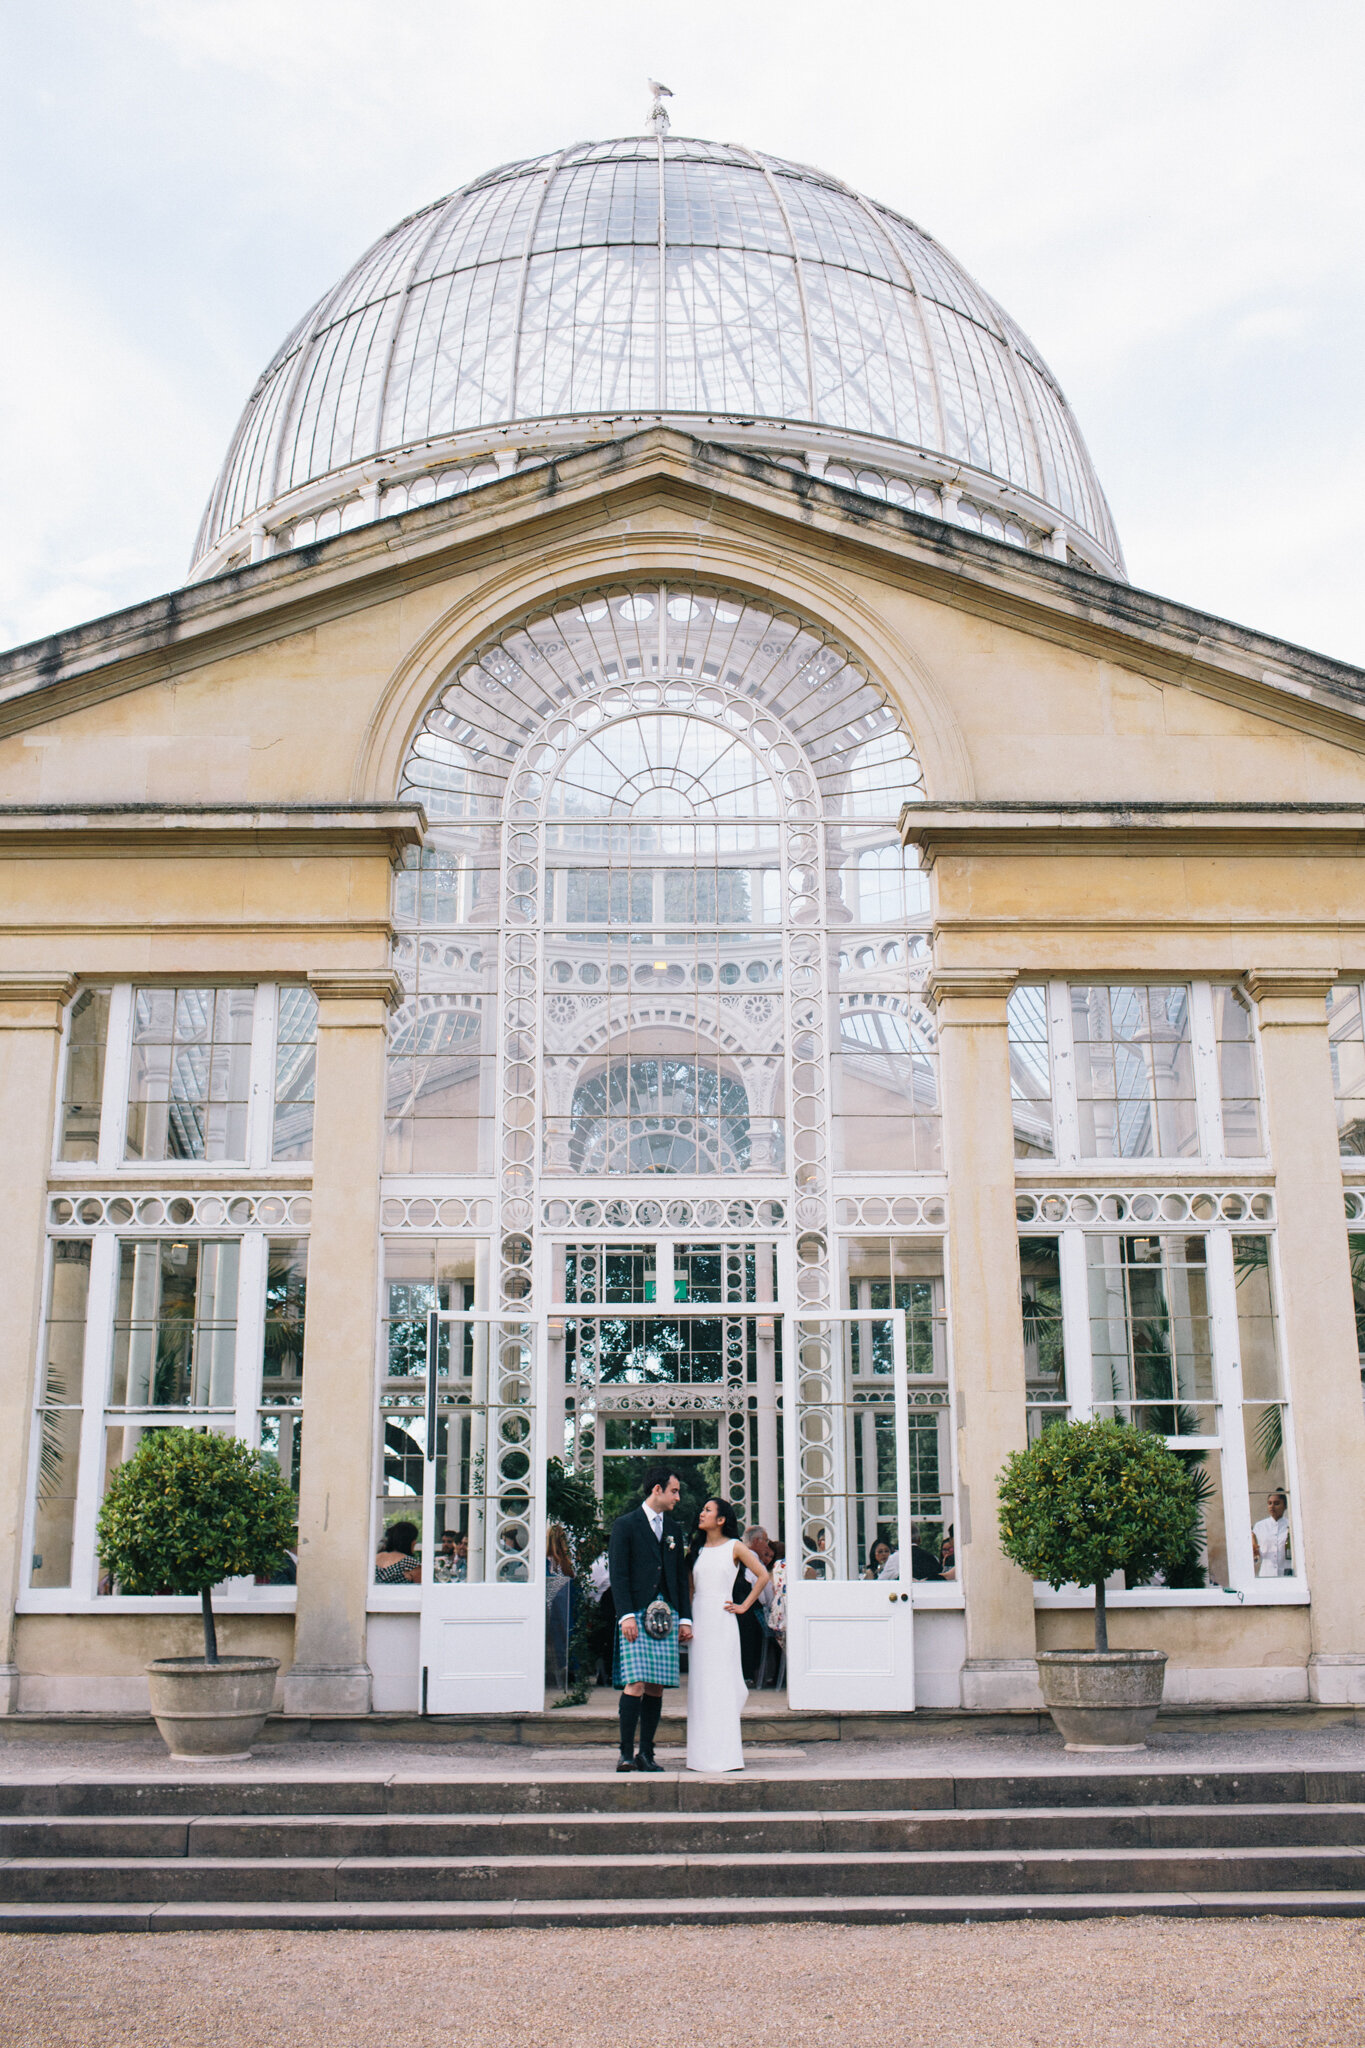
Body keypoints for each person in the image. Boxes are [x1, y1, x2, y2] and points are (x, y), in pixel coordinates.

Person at [607, 1465, 693, 1773]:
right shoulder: (625, 1525)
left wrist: (686, 1619)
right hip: (637, 1614)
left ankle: (647, 1753)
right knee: (636, 1683)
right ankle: (626, 1753)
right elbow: (618, 1574)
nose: (677, 1497)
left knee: (656, 1686)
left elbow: (680, 1578)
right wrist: (626, 1615)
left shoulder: (674, 1528)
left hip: (667, 1617)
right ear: (656, 1490)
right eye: (674, 1491)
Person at [686, 1498, 770, 1772]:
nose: (702, 1512)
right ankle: (700, 1756)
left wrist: (744, 1605)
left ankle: (726, 1755)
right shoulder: (696, 1549)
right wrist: (685, 1621)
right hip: (700, 1618)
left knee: (722, 1684)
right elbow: (690, 1589)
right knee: (701, 1685)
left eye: (707, 1510)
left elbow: (763, 1575)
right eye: (703, 1509)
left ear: (721, 1519)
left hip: (723, 1619)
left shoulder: (735, 1547)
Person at [735, 1525, 771, 1683]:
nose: (767, 1545)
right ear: (757, 1541)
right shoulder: (751, 1559)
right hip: (748, 1610)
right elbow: (763, 1588)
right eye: (766, 1541)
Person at [1252, 1490, 1292, 1578]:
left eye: (1276, 1503)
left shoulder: (1291, 1526)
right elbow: (1255, 1554)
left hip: (1286, 1575)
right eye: (1269, 1503)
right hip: (1266, 1574)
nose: (1272, 1506)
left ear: (1285, 1506)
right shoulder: (1259, 1526)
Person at [374, 1519, 420, 1584]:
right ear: (409, 1542)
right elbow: (422, 1590)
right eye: (414, 1539)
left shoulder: (374, 1559)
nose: (415, 1542)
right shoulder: (410, 1564)